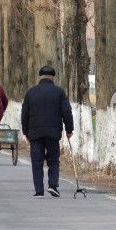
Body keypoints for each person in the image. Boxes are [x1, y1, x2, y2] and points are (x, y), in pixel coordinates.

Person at [21, 66, 74, 198]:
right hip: (53, 133)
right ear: (53, 77)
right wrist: (69, 130)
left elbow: (24, 114)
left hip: (35, 134)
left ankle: (39, 191)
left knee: (37, 161)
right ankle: (53, 185)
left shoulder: (31, 92)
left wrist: (26, 132)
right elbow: (67, 112)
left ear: (39, 76)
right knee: (53, 160)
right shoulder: (59, 92)